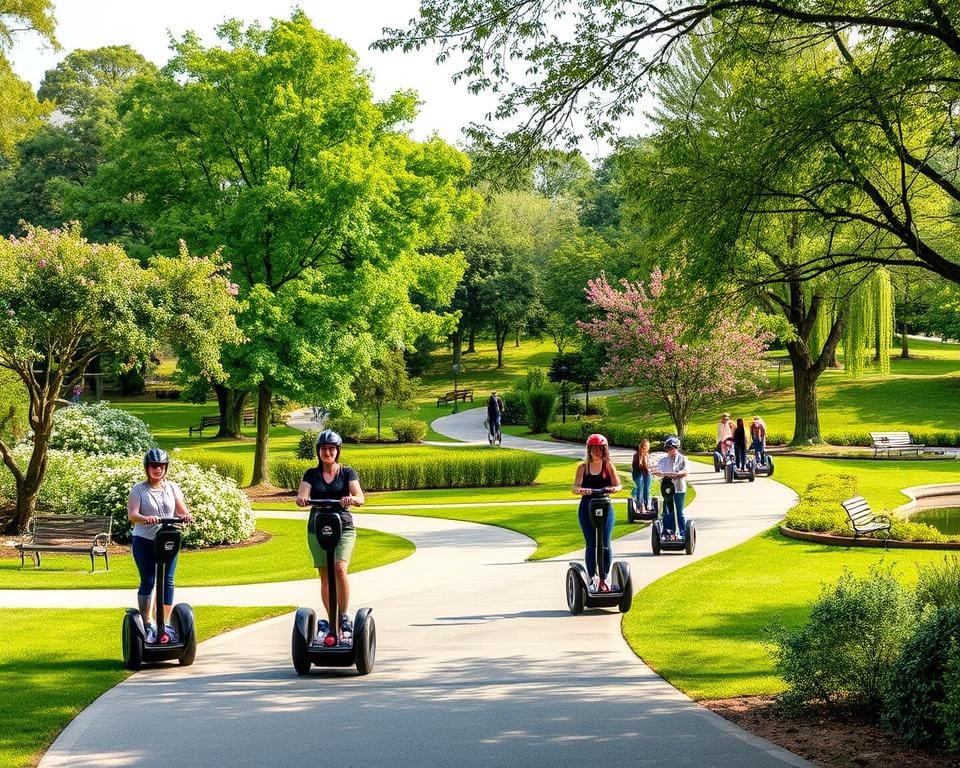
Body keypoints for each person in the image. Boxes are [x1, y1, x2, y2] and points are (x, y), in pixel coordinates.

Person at [296, 429, 365, 637]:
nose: (328, 453)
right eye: (324, 449)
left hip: (343, 527)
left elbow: (360, 497)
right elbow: (303, 494)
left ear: (338, 451)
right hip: (317, 528)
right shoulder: (311, 474)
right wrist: (302, 499)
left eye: (332, 449)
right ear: (318, 451)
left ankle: (343, 616)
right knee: (325, 574)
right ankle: (331, 618)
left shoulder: (347, 473)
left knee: (339, 569)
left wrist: (351, 499)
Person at [127, 448, 194, 644]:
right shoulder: (138, 490)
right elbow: (132, 515)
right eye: (154, 466)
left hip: (167, 539)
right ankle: (148, 623)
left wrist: (186, 516)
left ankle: (164, 623)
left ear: (166, 468)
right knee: (148, 580)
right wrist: (145, 518)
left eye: (161, 466)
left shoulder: (172, 487)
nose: (158, 469)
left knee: (168, 581)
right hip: (144, 541)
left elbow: (181, 510)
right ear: (147, 468)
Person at [572, 433, 622, 592]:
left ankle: (604, 576)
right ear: (589, 450)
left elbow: (618, 485)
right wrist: (582, 490)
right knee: (591, 544)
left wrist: (613, 489)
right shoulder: (582, 468)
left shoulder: (608, 467)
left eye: (599, 449)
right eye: (593, 449)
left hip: (605, 506)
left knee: (605, 543)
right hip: (587, 506)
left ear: (604, 450)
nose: (596, 452)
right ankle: (592, 576)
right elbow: (574, 488)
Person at [652, 436, 689, 540]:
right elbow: (657, 470)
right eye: (667, 448)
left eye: (670, 448)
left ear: (676, 447)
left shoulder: (682, 459)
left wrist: (678, 473)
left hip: (679, 488)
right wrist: (657, 472)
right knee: (668, 510)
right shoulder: (664, 460)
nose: (668, 450)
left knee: (679, 511)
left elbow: (686, 471)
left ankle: (682, 534)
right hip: (667, 487)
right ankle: (669, 532)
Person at [631, 438, 653, 512]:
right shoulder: (637, 456)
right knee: (640, 489)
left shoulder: (647, 455)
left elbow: (648, 467)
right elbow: (637, 467)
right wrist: (647, 469)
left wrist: (650, 470)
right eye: (644, 447)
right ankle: (640, 506)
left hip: (646, 474)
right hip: (638, 474)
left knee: (647, 489)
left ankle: (647, 505)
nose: (645, 449)